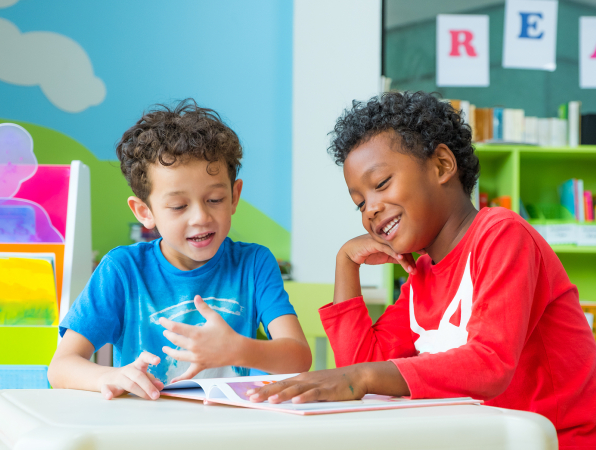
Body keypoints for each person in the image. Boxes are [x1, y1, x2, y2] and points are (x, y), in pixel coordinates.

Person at [248, 91, 596, 448]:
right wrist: (346, 265)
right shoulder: (421, 275)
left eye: (381, 184)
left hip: (555, 441)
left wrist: (362, 377)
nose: (370, 210)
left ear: (442, 165)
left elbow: (490, 363)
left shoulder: (503, 234)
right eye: (360, 204)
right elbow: (360, 367)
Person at [48, 99, 311, 400]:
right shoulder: (122, 270)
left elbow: (299, 357)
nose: (200, 217)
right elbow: (60, 367)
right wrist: (110, 375)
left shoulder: (254, 263)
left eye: (214, 199)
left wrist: (237, 349)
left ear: (234, 196)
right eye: (178, 206)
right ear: (145, 212)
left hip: (232, 430)